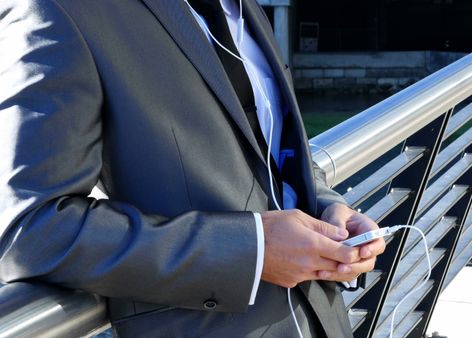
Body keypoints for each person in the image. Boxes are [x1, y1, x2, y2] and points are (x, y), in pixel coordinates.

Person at [0, 0, 385, 337]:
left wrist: (328, 209)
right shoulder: (57, 7)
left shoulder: (243, 7)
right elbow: (31, 232)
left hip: (325, 318)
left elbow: (270, 152)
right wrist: (250, 251)